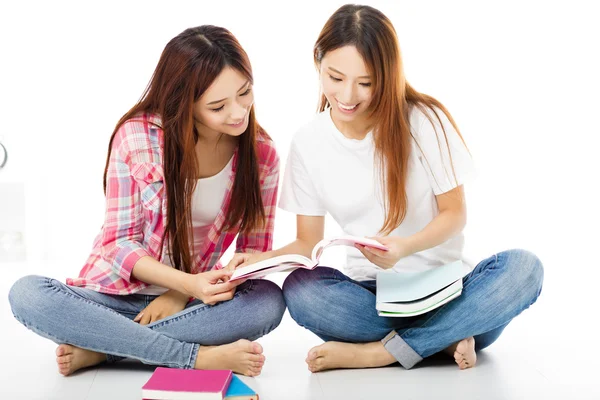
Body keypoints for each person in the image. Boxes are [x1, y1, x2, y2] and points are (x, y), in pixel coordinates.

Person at [260, 4, 543, 372]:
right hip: (370, 297)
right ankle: (441, 341)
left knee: (524, 268)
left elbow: (455, 214)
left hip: (450, 294)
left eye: (366, 83)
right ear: (318, 62)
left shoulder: (425, 120)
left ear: (388, 75)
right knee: (301, 289)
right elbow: (306, 244)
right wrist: (257, 262)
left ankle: (382, 352)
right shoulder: (307, 141)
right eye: (335, 77)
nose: (347, 95)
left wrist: (405, 247)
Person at [8, 25, 285, 377]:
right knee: (28, 293)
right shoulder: (138, 137)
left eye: (245, 93)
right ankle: (193, 357)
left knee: (267, 302)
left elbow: (253, 256)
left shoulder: (262, 155)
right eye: (218, 106)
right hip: (115, 298)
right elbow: (117, 243)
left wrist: (182, 295)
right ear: (186, 102)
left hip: (192, 305)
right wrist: (185, 284)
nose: (238, 113)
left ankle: (108, 350)